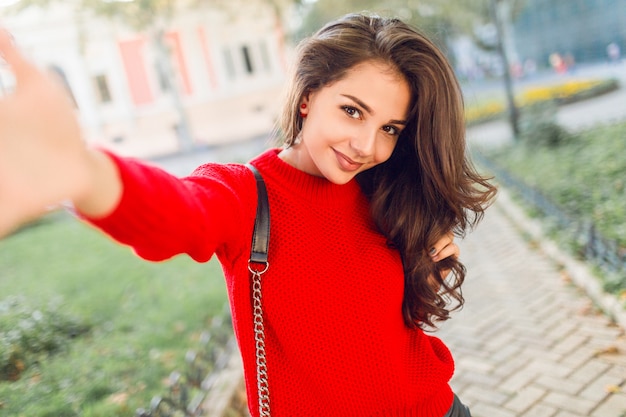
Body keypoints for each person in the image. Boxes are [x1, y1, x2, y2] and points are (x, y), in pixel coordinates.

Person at [0, 12, 496, 417]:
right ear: (308, 97)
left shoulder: (384, 192)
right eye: (351, 111)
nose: (367, 145)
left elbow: (380, 330)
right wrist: (84, 173)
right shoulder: (245, 193)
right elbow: (179, 211)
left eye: (390, 128)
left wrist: (421, 272)